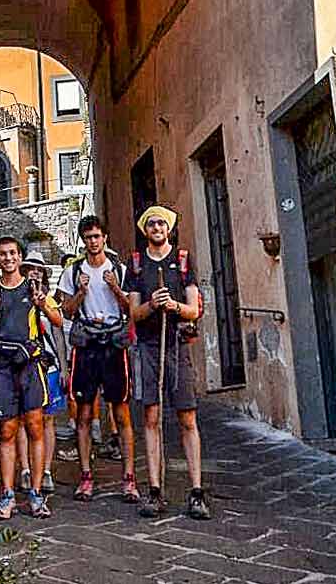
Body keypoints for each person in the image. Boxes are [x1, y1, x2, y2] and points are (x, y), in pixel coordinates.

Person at [126, 205, 211, 520]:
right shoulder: (136, 265)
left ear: (169, 229)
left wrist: (173, 305)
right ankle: (155, 490)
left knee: (187, 418)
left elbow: (193, 310)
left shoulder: (183, 261)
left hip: (177, 345)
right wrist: (151, 304)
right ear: (146, 230)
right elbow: (134, 313)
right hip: (149, 347)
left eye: (162, 223)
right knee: (151, 417)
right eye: (152, 224)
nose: (157, 228)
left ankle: (197, 492)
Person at [58, 214, 139, 504]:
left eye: (97, 236)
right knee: (83, 413)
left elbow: (132, 309)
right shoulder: (73, 271)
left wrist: (115, 287)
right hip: (87, 344)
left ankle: (129, 478)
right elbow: (66, 311)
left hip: (114, 344)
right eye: (88, 237)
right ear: (83, 241)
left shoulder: (120, 270)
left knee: (122, 412)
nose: (93, 241)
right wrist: (81, 292)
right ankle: (86, 476)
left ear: (105, 238)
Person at [0, 235, 63, 521]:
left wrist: (43, 305)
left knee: (35, 427)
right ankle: (7, 494)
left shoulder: (33, 288)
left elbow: (58, 320)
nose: (8, 258)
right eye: (3, 254)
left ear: (20, 257)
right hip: (3, 366)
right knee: (7, 430)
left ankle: (36, 494)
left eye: (12, 253)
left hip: (30, 365)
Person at [14, 250, 65, 497]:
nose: (34, 273)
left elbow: (58, 328)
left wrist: (64, 367)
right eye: (30, 269)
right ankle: (25, 468)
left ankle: (45, 469)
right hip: (25, 365)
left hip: (49, 365)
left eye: (38, 269)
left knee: (47, 420)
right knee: (23, 419)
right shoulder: (17, 297)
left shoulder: (49, 300)